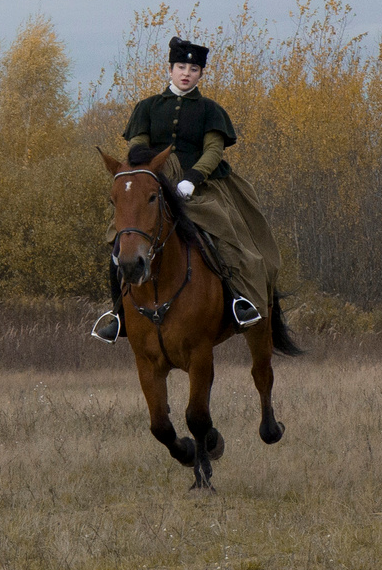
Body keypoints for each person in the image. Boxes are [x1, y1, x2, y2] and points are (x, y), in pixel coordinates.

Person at [92, 36, 292, 344]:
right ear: (170, 69)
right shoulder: (147, 107)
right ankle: (119, 314)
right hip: (153, 182)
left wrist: (192, 178)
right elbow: (137, 145)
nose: (187, 73)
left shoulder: (211, 111)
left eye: (194, 68)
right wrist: (149, 175)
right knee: (120, 240)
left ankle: (240, 302)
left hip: (202, 185)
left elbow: (213, 150)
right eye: (181, 67)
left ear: (200, 74)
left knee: (226, 232)